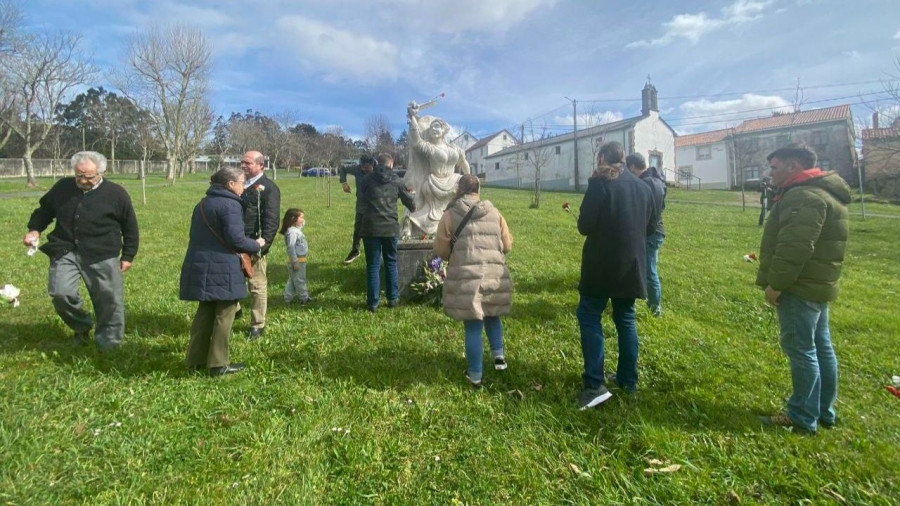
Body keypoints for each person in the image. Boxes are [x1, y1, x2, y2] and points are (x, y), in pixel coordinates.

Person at [756, 143, 850, 434]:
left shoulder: (804, 196)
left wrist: (777, 285)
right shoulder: (821, 192)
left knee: (802, 350)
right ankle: (823, 410)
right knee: (821, 347)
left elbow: (795, 248)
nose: (769, 173)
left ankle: (801, 415)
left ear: (793, 166)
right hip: (818, 286)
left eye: (774, 167)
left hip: (800, 287)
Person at [24, 151, 139, 351]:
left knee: (108, 300)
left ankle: (109, 344)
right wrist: (34, 230)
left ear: (101, 172)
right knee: (61, 293)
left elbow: (130, 226)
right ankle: (82, 325)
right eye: (79, 175)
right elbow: (44, 211)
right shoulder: (63, 187)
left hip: (102, 253)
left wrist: (128, 255)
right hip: (65, 249)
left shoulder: (116, 193)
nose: (83, 180)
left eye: (89, 176)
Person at [576, 142, 657, 409]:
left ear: (602, 158)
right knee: (625, 318)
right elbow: (650, 226)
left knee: (589, 315)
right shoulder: (643, 187)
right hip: (632, 264)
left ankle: (594, 383)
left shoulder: (600, 183)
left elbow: (584, 225)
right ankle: (627, 379)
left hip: (601, 264)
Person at [180, 167, 265, 376]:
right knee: (225, 314)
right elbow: (236, 239)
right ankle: (218, 364)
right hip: (223, 267)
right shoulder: (230, 205)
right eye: (241, 181)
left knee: (205, 313)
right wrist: (256, 244)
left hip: (201, 264)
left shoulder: (202, 203)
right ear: (230, 184)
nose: (243, 186)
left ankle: (195, 361)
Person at [434, 175, 513, 388]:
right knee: (492, 312)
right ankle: (499, 356)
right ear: (478, 190)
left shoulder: (450, 214)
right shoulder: (495, 213)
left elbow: (441, 250)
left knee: (473, 324)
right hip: (494, 272)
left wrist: (455, 255)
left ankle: (475, 374)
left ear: (459, 189)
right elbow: (507, 245)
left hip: (467, 275)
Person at [401, 102, 470, 237]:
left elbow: (463, 163)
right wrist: (413, 117)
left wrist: (471, 181)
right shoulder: (429, 147)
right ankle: (412, 222)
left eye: (437, 126)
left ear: (444, 130)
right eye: (431, 127)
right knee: (433, 213)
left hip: (453, 180)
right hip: (434, 184)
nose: (434, 129)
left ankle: (460, 226)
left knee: (460, 200)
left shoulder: (455, 148)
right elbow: (416, 141)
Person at [358, 153, 416, 312]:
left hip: (370, 227)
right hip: (390, 227)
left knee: (373, 265)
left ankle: (372, 303)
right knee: (391, 262)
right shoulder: (397, 181)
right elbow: (411, 204)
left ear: (377, 163)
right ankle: (392, 299)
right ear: (391, 164)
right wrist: (411, 196)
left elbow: (361, 199)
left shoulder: (367, 180)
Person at [240, 151, 281, 340]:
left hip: (253, 243)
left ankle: (257, 324)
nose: (243, 166)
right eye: (242, 163)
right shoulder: (237, 184)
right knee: (231, 279)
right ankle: (235, 310)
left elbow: (271, 221)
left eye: (248, 163)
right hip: (233, 241)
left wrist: (261, 246)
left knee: (256, 285)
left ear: (261, 165)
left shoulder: (269, 189)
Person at [626, 154, 667, 317]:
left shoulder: (645, 183)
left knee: (649, 271)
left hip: (650, 232)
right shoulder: (657, 179)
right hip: (656, 231)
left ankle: (655, 308)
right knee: (648, 269)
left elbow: (646, 212)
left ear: (632, 167)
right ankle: (649, 304)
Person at [339, 154, 376, 264]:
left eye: (366, 167)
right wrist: (344, 182)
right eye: (362, 167)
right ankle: (355, 251)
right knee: (358, 229)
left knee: (374, 231)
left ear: (372, 165)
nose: (363, 169)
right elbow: (343, 168)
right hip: (361, 204)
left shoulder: (378, 170)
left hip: (375, 206)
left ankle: (375, 254)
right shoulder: (357, 169)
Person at [280, 208, 310, 304]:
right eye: (301, 218)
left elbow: (300, 226)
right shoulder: (292, 232)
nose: (303, 220)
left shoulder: (295, 230)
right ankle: (304, 298)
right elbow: (291, 248)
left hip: (299, 260)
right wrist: (295, 261)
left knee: (292, 281)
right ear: (293, 219)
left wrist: (301, 221)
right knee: (300, 280)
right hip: (298, 260)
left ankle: (287, 298)